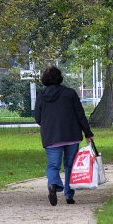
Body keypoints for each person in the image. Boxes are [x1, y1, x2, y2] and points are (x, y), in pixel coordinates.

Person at [34, 65, 93, 206]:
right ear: (60, 78)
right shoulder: (70, 93)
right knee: (70, 165)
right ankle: (69, 195)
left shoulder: (41, 96)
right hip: (71, 134)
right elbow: (80, 115)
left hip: (51, 137)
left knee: (53, 165)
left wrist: (48, 125)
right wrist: (88, 133)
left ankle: (53, 185)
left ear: (45, 79)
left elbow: (37, 118)